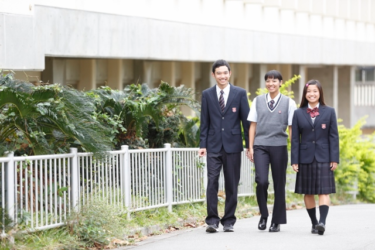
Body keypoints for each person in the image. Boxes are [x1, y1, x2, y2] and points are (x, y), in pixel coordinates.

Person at [199, 59, 250, 233]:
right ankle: (212, 220)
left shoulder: (240, 93)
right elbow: (204, 121)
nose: (222, 76)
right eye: (218, 73)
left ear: (230, 74)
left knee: (231, 184)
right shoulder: (207, 94)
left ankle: (229, 220)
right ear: (213, 75)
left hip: (233, 145)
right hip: (213, 145)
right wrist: (202, 144)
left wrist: (249, 145)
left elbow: (246, 122)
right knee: (212, 182)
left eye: (225, 73)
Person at [247, 70, 297, 232]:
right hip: (260, 145)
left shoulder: (289, 103)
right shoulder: (258, 101)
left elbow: (291, 128)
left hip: (279, 146)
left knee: (279, 184)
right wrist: (250, 147)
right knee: (261, 181)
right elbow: (252, 125)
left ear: (281, 83)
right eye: (268, 81)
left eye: (274, 81)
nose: (271, 84)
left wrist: (295, 149)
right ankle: (263, 215)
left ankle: (277, 220)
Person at [291, 79, 339, 235]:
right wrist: (294, 160)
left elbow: (333, 137)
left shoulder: (329, 111)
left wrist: (334, 158)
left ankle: (322, 223)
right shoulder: (298, 113)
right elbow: (295, 139)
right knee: (308, 192)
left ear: (320, 93)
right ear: (305, 94)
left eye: (315, 91)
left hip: (324, 156)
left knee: (323, 191)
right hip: (305, 157)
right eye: (309, 91)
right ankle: (314, 223)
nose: (311, 94)